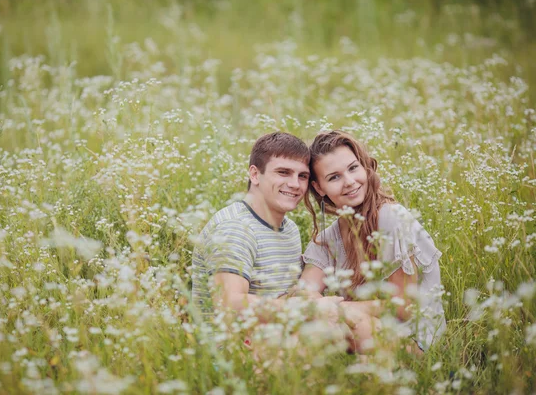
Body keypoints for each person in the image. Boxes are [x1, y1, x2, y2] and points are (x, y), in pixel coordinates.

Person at [300, 130, 446, 353]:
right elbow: (304, 292)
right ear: (319, 188)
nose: (349, 182)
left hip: (415, 342)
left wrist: (338, 309)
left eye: (353, 168)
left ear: (364, 166)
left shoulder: (391, 218)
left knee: (343, 326)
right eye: (334, 177)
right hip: (361, 333)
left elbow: (403, 308)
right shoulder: (328, 239)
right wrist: (318, 304)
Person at [191, 132, 343, 324]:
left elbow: (281, 299)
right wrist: (308, 309)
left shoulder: (290, 230)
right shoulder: (235, 227)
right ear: (255, 174)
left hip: (277, 334)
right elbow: (228, 303)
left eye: (302, 176)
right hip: (232, 348)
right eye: (283, 172)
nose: (295, 184)